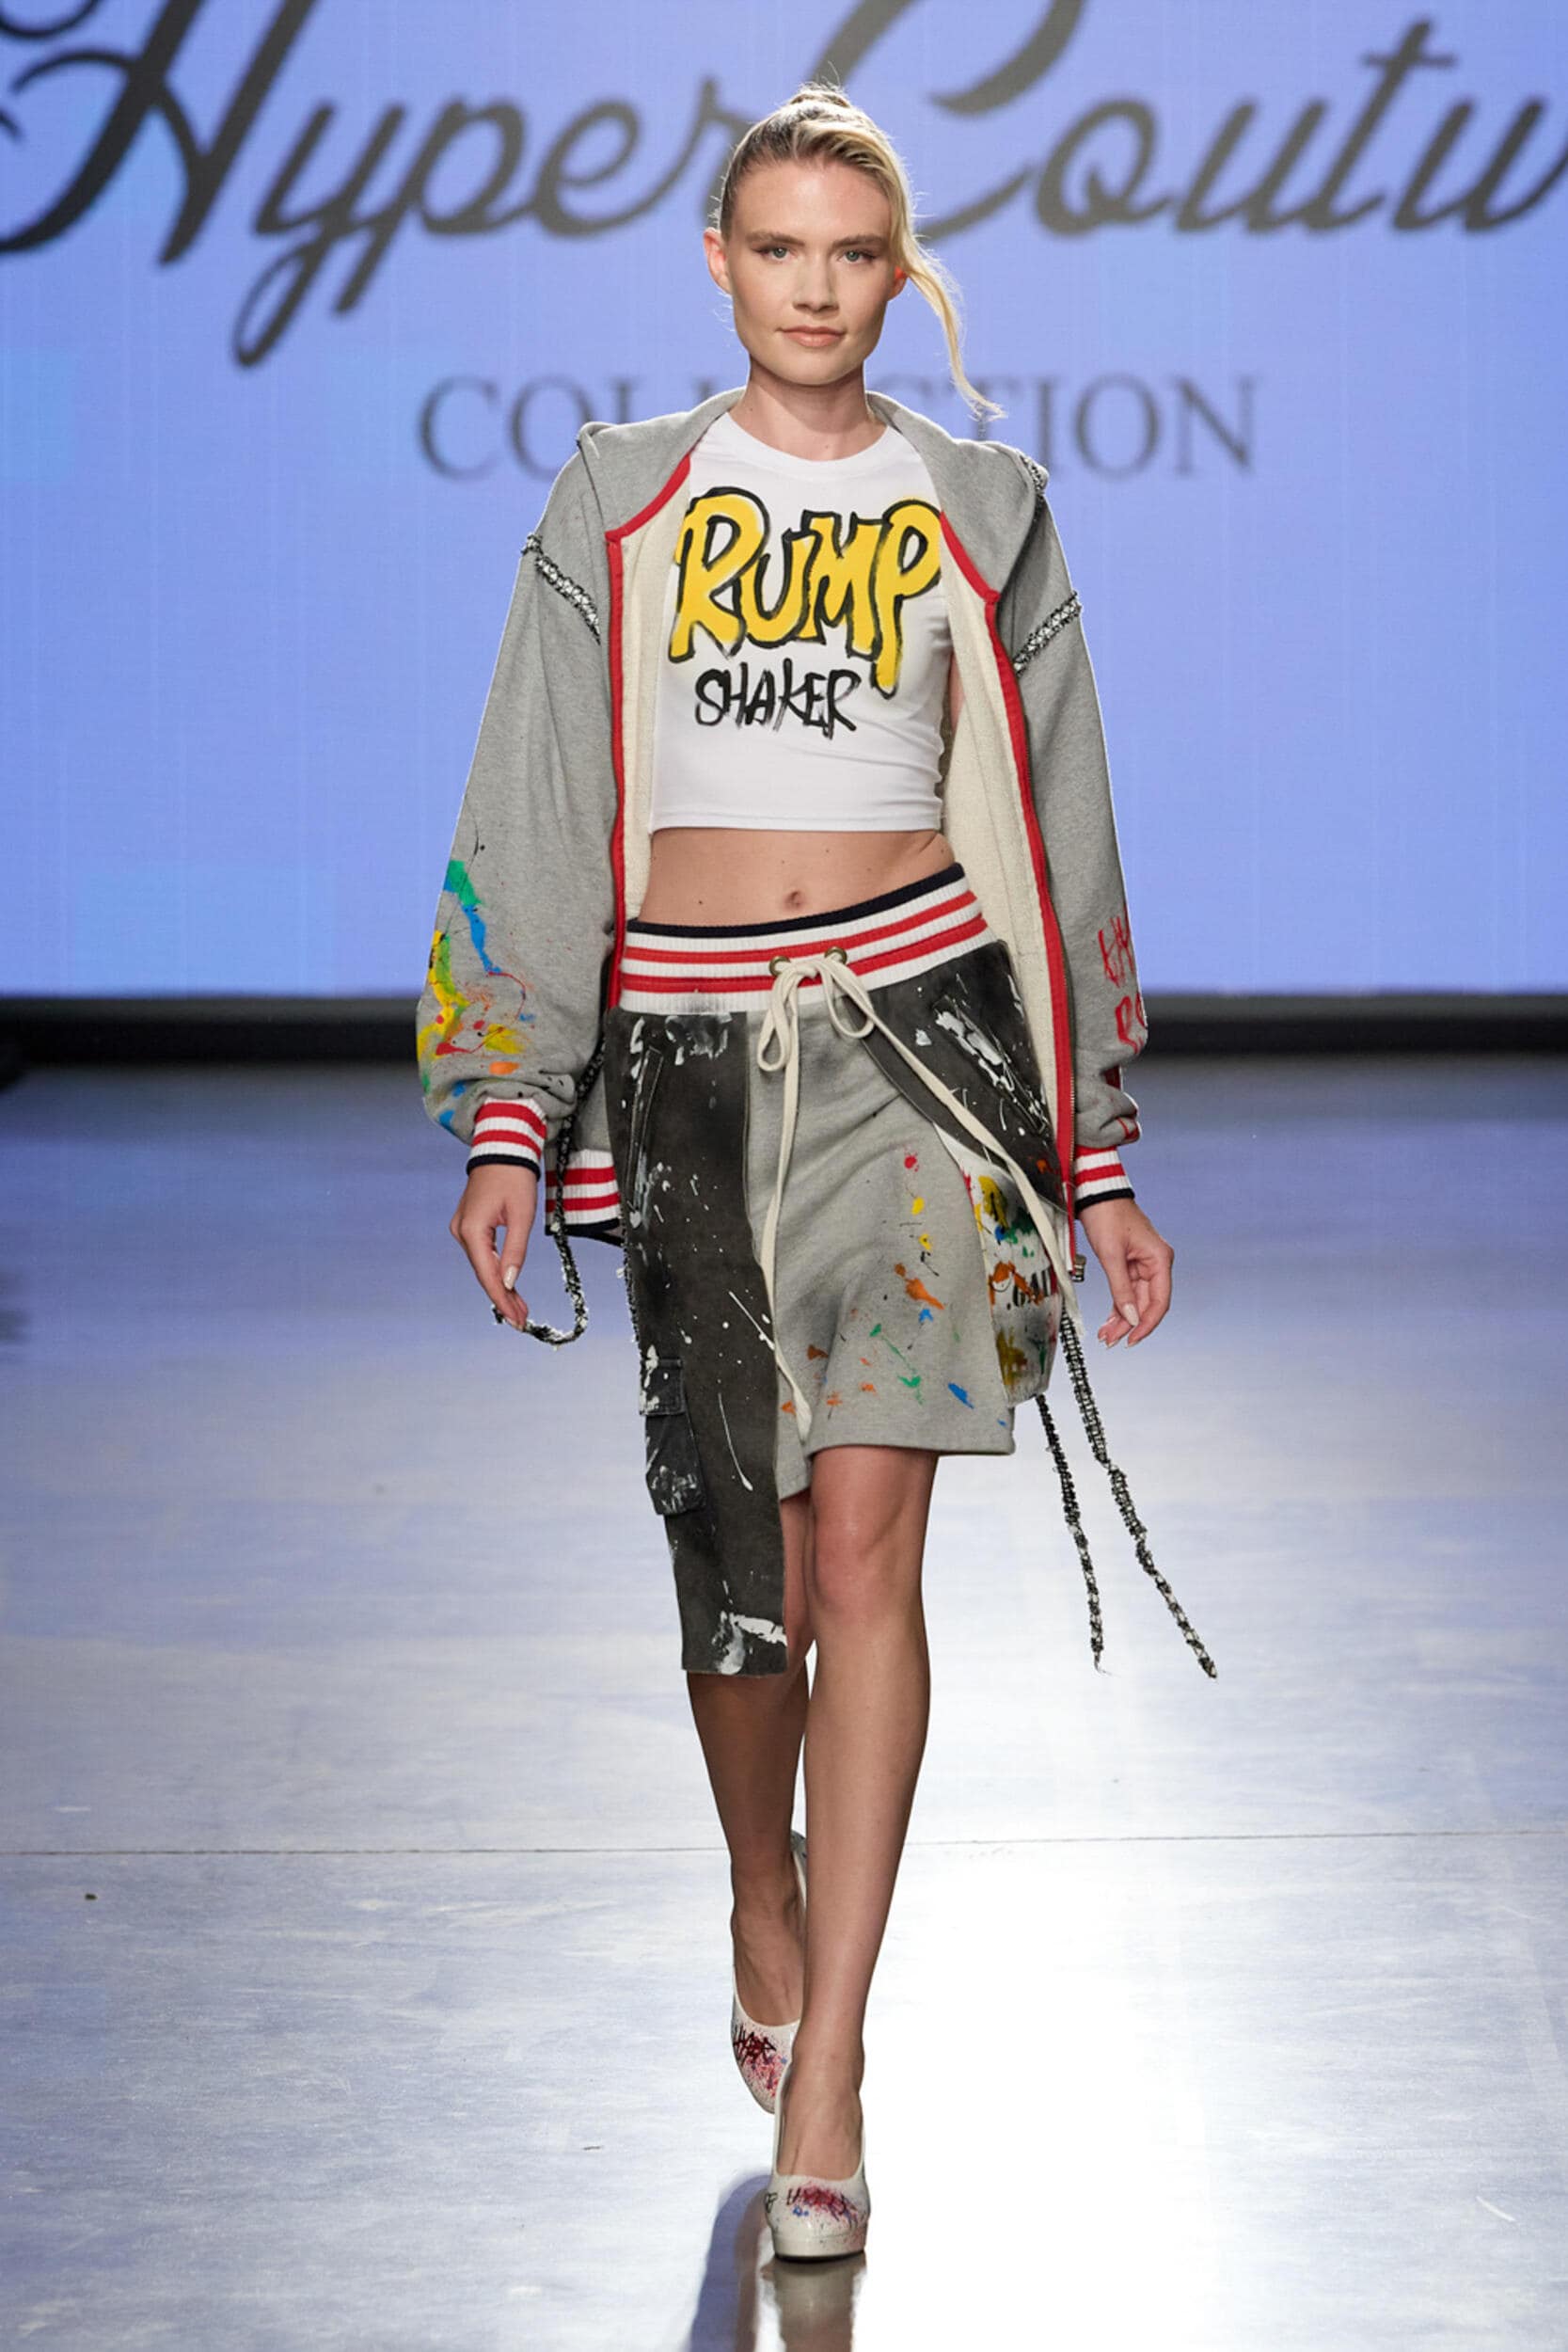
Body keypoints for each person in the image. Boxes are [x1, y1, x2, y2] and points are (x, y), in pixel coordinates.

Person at [416, 80, 1215, 2261]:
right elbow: (542, 791)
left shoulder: (983, 504)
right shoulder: (625, 495)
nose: (816, 288)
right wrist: (514, 1102)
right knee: (743, 1573)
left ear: (896, 272)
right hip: (687, 1065)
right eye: (779, 249)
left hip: (924, 1060)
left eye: (855, 254)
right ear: (720, 264)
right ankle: (756, 1892)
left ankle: (836, 2054)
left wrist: (1099, 1148)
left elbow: (1057, 821)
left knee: (869, 1545)